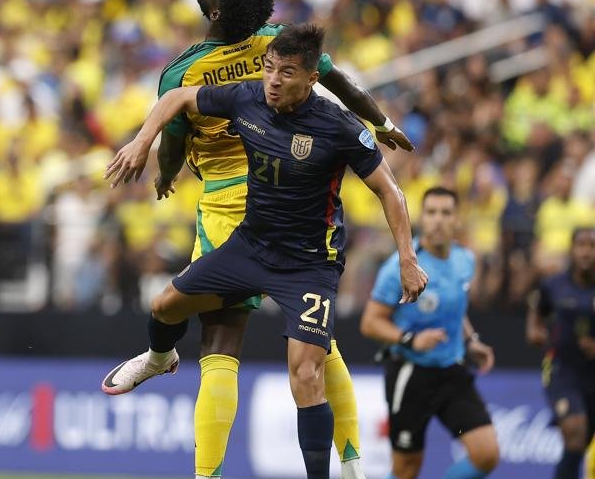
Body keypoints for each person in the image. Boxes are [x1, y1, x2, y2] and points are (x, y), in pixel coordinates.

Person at [101, 24, 427, 479]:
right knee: (163, 306)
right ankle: (161, 358)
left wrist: (408, 258)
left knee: (307, 373)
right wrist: (142, 141)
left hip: (310, 265)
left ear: (311, 80)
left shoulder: (338, 127)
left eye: (286, 72)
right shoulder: (247, 97)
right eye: (269, 68)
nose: (273, 79)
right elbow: (175, 99)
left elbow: (391, 193)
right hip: (250, 248)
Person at [360, 187, 499, 479]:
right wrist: (411, 340)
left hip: (451, 371)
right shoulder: (400, 266)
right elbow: (371, 322)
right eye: (431, 212)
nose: (438, 220)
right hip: (412, 376)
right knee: (406, 470)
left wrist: (470, 341)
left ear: (457, 220)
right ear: (421, 218)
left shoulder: (465, 260)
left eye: (446, 213)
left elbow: (455, 309)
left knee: (486, 454)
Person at [527, 227, 595, 479]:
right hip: (561, 371)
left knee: (580, 445)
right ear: (572, 249)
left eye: (592, 246)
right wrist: (534, 330)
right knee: (575, 433)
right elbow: (537, 307)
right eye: (582, 245)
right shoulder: (555, 284)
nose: (587, 252)